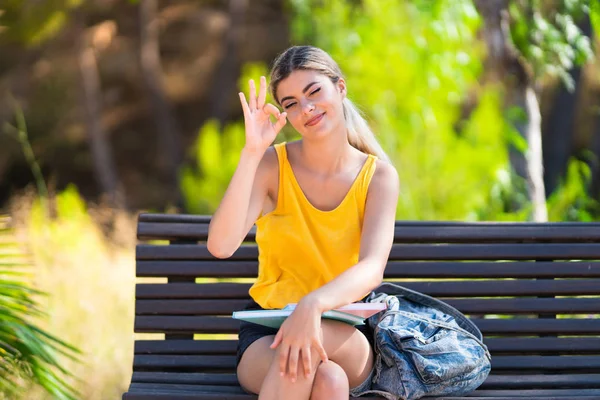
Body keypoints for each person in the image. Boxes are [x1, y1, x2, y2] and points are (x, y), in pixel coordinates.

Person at [207, 45, 399, 400]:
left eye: (314, 92)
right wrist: (251, 154)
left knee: (308, 356)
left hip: (346, 332)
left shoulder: (379, 177)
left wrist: (313, 305)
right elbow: (221, 245)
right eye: (291, 103)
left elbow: (373, 268)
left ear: (340, 88)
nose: (306, 108)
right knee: (327, 380)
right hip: (267, 335)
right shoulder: (270, 165)